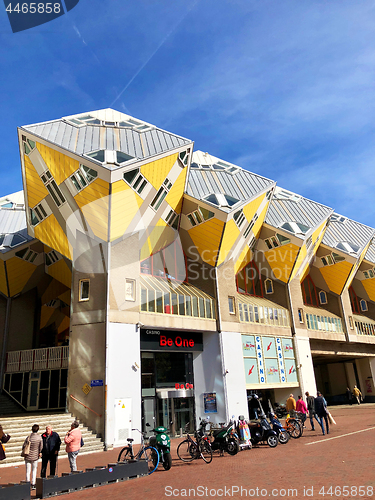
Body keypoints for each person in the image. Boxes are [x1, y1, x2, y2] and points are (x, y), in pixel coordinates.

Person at [23, 424, 42, 490]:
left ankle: (27, 482)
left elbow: (24, 445)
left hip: (28, 456)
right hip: (35, 456)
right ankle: (33, 483)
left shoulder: (29, 437)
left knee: (28, 471)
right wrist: (39, 452)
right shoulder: (39, 438)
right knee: (34, 470)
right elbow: (41, 447)